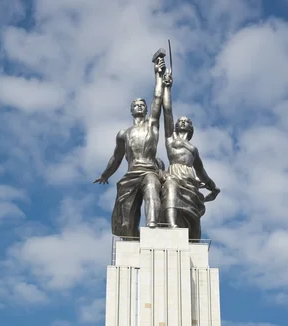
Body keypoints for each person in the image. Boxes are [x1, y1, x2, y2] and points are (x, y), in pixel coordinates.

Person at [94, 54, 166, 238]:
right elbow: (116, 158)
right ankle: (131, 236)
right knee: (126, 218)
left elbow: (157, 98)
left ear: (146, 109)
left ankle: (153, 226)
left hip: (149, 169)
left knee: (152, 188)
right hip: (131, 174)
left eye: (142, 104)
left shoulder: (152, 125)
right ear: (131, 110)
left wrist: (158, 74)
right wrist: (105, 174)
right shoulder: (123, 133)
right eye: (136, 104)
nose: (140, 106)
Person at [161, 71, 220, 240]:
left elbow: (202, 172)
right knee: (171, 190)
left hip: (190, 180)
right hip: (174, 174)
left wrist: (212, 186)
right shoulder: (171, 139)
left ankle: (192, 240)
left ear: (190, 128)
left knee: (193, 215)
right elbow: (167, 111)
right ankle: (171, 225)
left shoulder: (193, 149)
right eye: (181, 121)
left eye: (187, 121)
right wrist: (167, 88)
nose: (184, 122)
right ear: (177, 126)